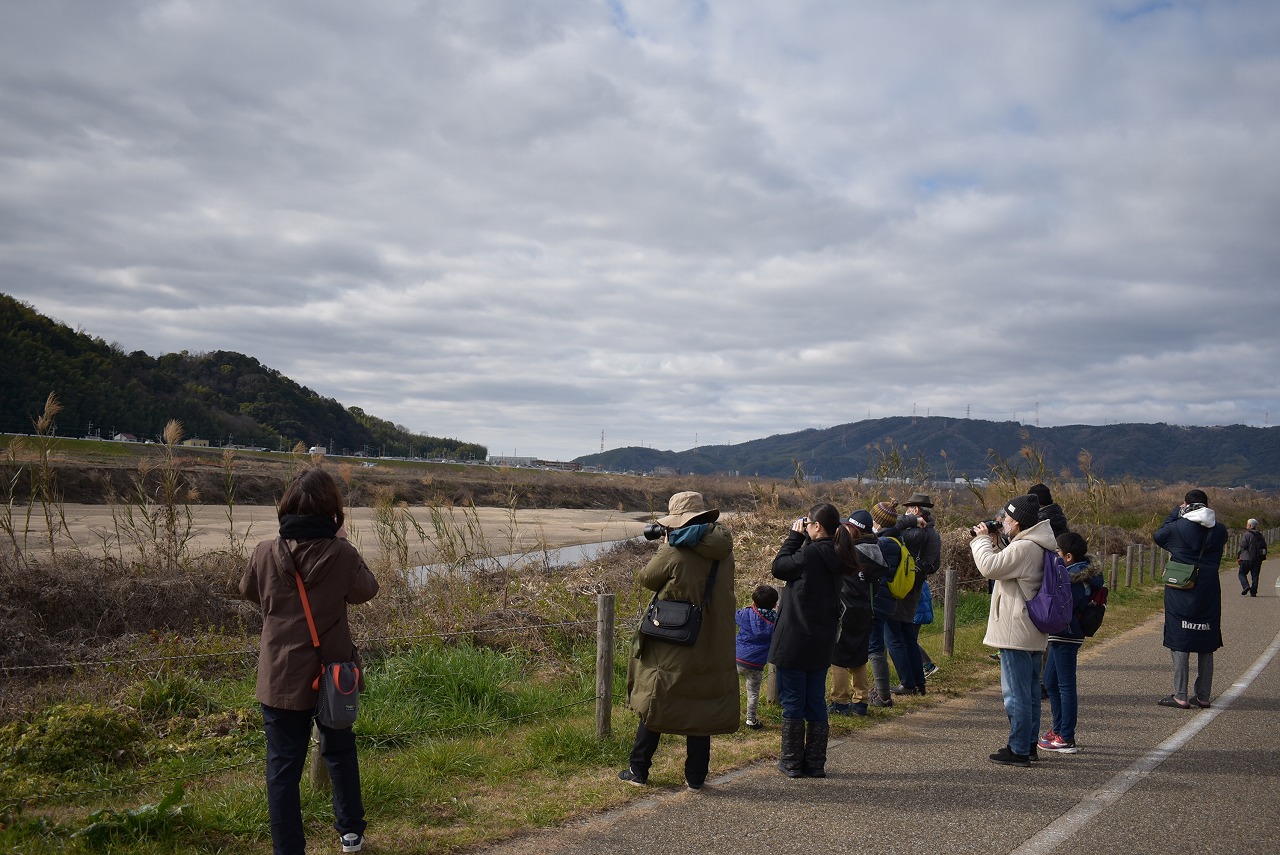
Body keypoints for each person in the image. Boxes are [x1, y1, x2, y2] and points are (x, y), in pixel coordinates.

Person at [239, 468, 379, 855]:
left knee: (283, 768)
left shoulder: (265, 551)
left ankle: (289, 850)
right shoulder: (341, 553)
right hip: (332, 675)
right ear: (332, 512)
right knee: (340, 749)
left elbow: (249, 591)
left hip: (280, 675)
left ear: (285, 508)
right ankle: (351, 833)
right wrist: (343, 543)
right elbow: (368, 590)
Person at [622, 491, 737, 791]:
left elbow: (647, 578)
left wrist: (665, 546)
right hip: (712, 638)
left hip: (675, 638)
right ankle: (696, 777)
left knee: (656, 700)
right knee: (700, 707)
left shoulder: (674, 549)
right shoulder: (724, 550)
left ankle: (638, 770)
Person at [769, 502, 856, 778]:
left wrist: (794, 537)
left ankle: (792, 762)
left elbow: (780, 567)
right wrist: (805, 539)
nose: (805, 526)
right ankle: (815, 763)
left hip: (795, 639)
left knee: (793, 700)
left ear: (817, 526)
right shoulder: (839, 554)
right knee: (815, 701)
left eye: (808, 523)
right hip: (822, 640)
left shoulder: (809, 555)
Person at [969, 494, 1054, 767]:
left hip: (1015, 630)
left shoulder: (1024, 548)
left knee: (1015, 694)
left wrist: (981, 539)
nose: (1001, 522)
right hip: (1030, 629)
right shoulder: (1037, 543)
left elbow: (989, 567)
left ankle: (1017, 748)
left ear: (1016, 522)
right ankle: (1028, 746)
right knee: (1029, 692)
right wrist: (997, 542)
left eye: (1005, 518)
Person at [1153, 489, 1228, 709]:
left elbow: (1159, 535)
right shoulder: (1220, 531)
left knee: (1180, 639)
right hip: (1209, 589)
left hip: (1182, 588)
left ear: (1186, 505)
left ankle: (1180, 694)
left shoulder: (1177, 527)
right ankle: (1203, 695)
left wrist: (1176, 512)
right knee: (1207, 640)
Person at [1038, 531, 1104, 754]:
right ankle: (1058, 729)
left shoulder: (1073, 579)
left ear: (1068, 557)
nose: (1053, 554)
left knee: (1065, 685)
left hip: (1067, 634)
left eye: (1056, 551)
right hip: (1061, 634)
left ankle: (1066, 737)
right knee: (1051, 681)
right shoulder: (1071, 574)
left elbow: (1062, 606)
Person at [827, 510, 886, 717]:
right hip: (865, 610)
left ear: (855, 529)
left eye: (847, 527)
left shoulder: (851, 552)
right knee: (859, 658)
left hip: (845, 611)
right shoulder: (876, 550)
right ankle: (861, 702)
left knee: (838, 658)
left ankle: (839, 702)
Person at [883, 492, 943, 691]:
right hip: (916, 588)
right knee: (908, 636)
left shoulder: (912, 533)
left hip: (899, 589)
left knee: (893, 638)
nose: (905, 513)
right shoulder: (934, 534)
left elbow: (887, 531)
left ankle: (907, 683)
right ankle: (919, 682)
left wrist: (908, 521)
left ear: (916, 510)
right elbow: (935, 565)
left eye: (908, 510)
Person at [736, 584, 779, 729]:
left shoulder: (747, 614)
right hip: (756, 665)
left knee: (729, 688)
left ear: (754, 601)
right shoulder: (776, 621)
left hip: (737, 659)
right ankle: (751, 720)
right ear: (774, 604)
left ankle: (727, 715)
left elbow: (734, 614)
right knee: (753, 693)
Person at [1237, 519, 1267, 597]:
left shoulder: (1247, 534)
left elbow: (1243, 545)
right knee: (1255, 576)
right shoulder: (1260, 535)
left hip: (1247, 558)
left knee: (1242, 574)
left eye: (1247, 524)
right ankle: (1253, 592)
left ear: (1250, 525)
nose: (1246, 525)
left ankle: (1246, 586)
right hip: (1257, 559)